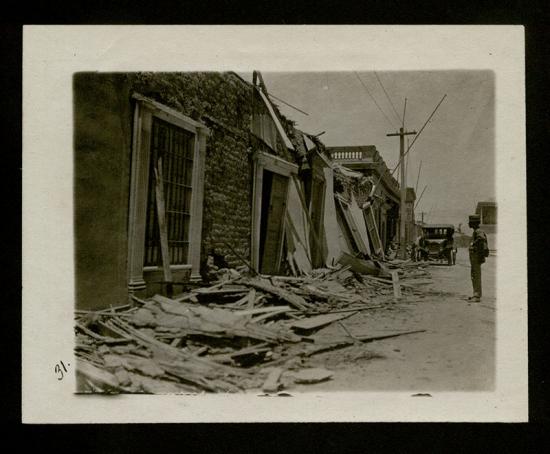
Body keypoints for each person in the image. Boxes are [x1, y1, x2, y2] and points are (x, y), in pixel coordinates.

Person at [468, 214, 489, 302]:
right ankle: (475, 294)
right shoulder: (475, 231)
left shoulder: (478, 231)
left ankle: (477, 296)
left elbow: (481, 239)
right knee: (474, 275)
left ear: (474, 223)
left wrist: (473, 244)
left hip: (476, 257)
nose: (469, 224)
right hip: (474, 257)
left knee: (476, 275)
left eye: (471, 222)